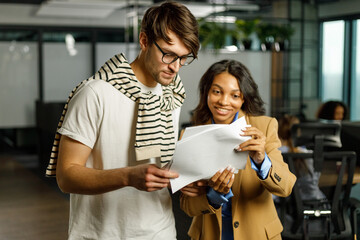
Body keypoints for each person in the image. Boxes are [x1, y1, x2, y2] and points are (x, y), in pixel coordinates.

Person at [45, 2, 200, 239]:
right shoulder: (95, 93)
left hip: (161, 231)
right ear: (144, 41)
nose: (175, 67)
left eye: (183, 58)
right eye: (168, 54)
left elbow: (158, 162)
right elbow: (65, 176)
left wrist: (178, 180)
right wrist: (127, 177)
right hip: (101, 233)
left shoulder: (172, 96)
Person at [180, 59, 296, 240]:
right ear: (206, 93)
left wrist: (262, 160)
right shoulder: (191, 136)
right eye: (217, 92)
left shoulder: (263, 127)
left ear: (244, 98)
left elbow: (286, 186)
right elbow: (188, 206)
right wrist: (213, 195)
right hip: (211, 234)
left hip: (258, 234)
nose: (224, 101)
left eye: (235, 95)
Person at [277, 115, 326, 201]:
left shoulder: (275, 154)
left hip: (286, 206)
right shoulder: (308, 154)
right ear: (298, 131)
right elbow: (315, 179)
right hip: (315, 202)